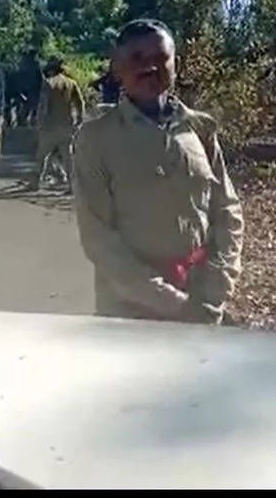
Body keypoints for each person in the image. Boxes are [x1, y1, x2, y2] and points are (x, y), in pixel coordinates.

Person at [71, 19, 245, 325]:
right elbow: (98, 238)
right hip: (130, 311)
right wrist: (173, 303)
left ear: (175, 64)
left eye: (159, 58)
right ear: (117, 69)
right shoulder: (96, 138)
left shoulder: (199, 130)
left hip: (203, 301)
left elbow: (227, 209)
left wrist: (217, 285)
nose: (149, 68)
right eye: (136, 59)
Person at [31, 57, 85, 191]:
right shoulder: (71, 83)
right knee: (68, 158)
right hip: (67, 125)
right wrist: (79, 119)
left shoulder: (48, 83)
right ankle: (73, 186)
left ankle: (35, 183)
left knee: (42, 156)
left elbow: (43, 106)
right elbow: (80, 103)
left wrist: (39, 122)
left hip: (50, 126)